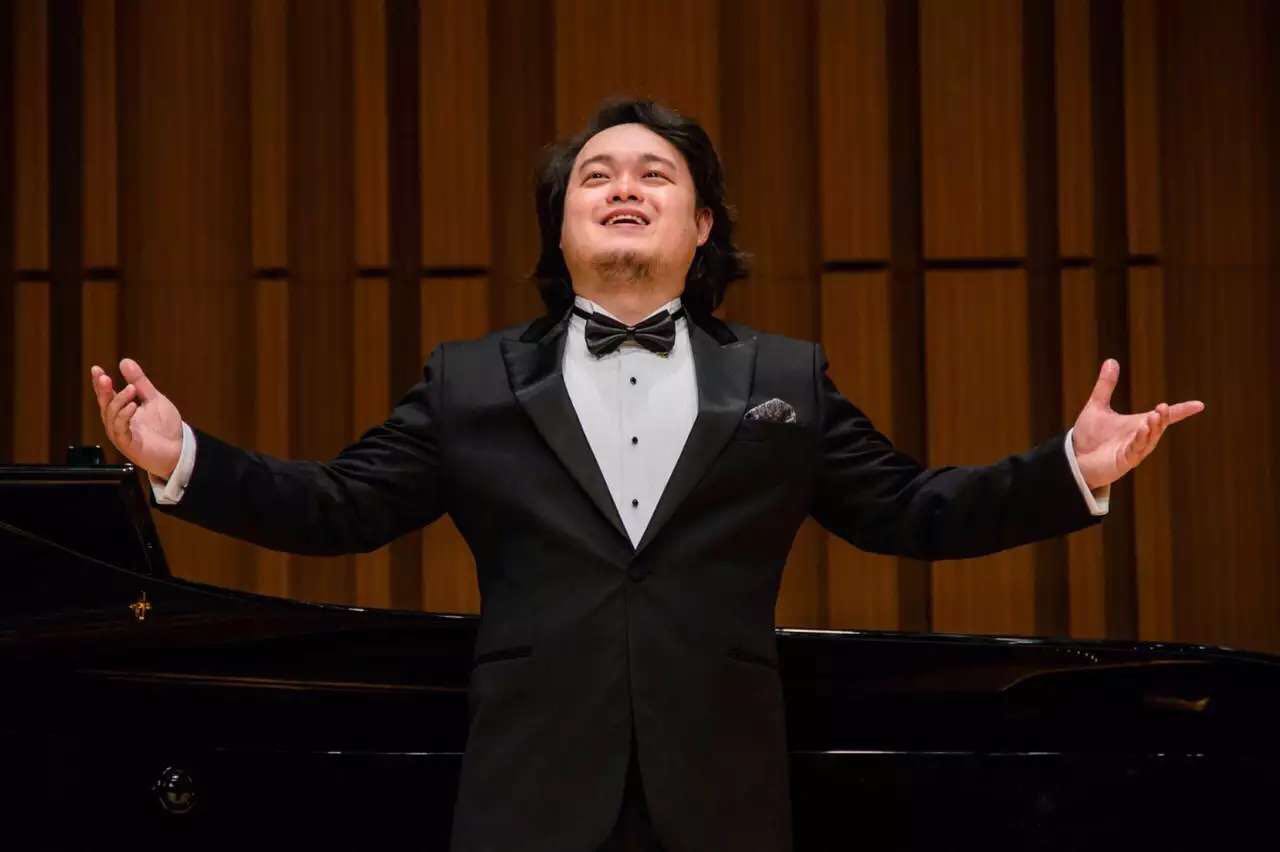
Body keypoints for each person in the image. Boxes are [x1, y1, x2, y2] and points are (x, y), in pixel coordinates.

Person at [89, 98, 1204, 852]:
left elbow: (911, 511)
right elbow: (340, 508)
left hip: (722, 790)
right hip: (528, 792)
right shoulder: (471, 381)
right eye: (596, 176)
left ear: (701, 222)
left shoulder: (784, 378)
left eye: (654, 175)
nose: (623, 188)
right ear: (560, 224)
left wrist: (1069, 468)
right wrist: (185, 459)